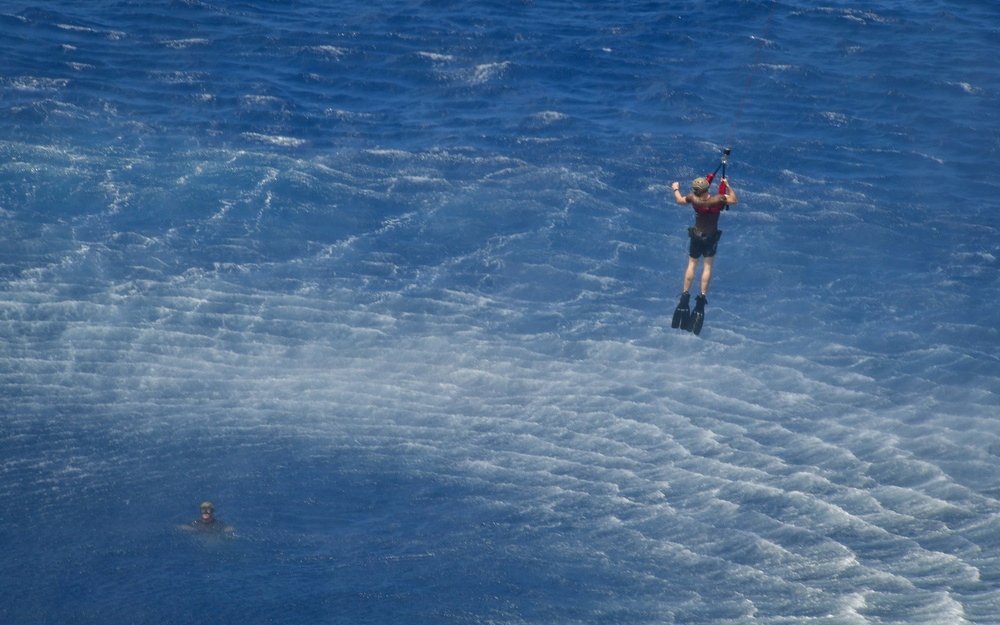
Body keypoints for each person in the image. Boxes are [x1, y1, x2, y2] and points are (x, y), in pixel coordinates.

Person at [669, 175, 738, 332]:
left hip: (697, 237)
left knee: (692, 264)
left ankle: (685, 294)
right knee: (707, 267)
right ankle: (701, 298)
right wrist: (727, 185)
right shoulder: (718, 200)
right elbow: (734, 200)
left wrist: (675, 188)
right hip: (711, 238)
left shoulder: (693, 198)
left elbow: (680, 200)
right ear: (707, 189)